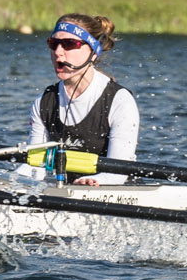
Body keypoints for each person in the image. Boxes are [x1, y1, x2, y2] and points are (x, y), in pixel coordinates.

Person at [28, 14, 135, 184]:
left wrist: (92, 182)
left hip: (111, 192)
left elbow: (118, 172)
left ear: (93, 52)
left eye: (70, 44)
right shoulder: (44, 102)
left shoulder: (120, 100)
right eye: (53, 44)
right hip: (64, 192)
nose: (58, 52)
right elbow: (34, 167)